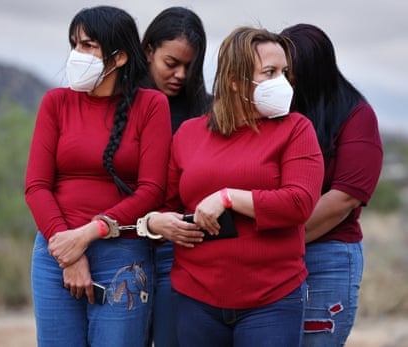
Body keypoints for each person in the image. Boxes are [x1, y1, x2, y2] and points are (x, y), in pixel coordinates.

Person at [144, 26, 325, 347]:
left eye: (285, 72)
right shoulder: (187, 133)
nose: (281, 82)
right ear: (234, 80)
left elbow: (300, 203)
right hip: (194, 298)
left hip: (272, 300)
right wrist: (156, 223)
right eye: (270, 72)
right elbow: (165, 204)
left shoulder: (297, 129)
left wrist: (229, 198)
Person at [24, 6, 172, 347]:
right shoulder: (56, 103)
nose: (78, 54)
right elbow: (36, 186)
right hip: (55, 252)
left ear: (118, 58)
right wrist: (69, 251)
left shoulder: (151, 106)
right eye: (74, 44)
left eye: (88, 45)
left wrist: (90, 233)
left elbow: (152, 190)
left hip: (122, 254)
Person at [280, 23, 383, 346]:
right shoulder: (281, 111)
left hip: (327, 255)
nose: (284, 80)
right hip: (274, 257)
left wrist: (281, 240)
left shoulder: (356, 115)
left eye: (290, 72)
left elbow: (343, 199)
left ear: (314, 71)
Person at [140, 7, 211, 347]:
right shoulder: (123, 104)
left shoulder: (208, 112)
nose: (181, 74)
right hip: (124, 242)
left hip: (180, 249)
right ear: (148, 50)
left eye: (190, 66)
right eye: (171, 64)